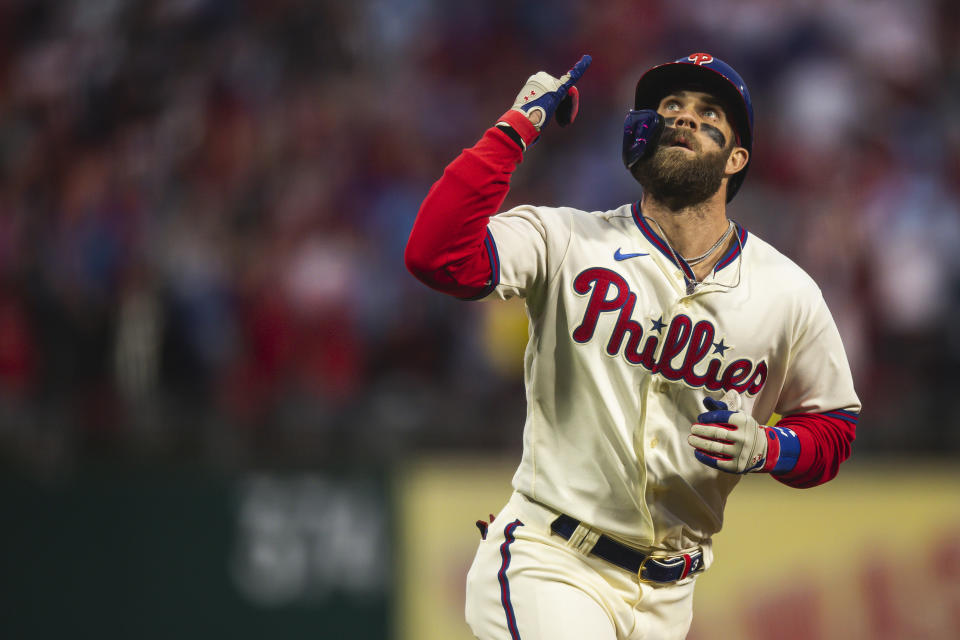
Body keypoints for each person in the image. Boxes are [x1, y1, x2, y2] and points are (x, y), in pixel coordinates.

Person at [404, 52, 860, 640]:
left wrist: (768, 446)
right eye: (670, 106)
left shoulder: (787, 292)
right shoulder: (565, 239)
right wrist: (514, 129)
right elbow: (436, 255)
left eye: (708, 112)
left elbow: (834, 431)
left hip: (670, 601)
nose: (684, 118)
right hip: (553, 561)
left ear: (736, 158)